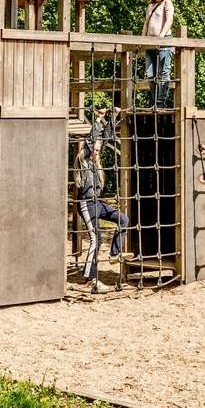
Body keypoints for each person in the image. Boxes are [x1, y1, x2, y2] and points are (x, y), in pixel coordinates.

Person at [74, 119, 127, 293]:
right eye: (94, 150)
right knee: (96, 239)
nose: (96, 152)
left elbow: (103, 140)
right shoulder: (84, 162)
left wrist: (112, 117)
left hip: (97, 203)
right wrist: (97, 121)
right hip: (86, 205)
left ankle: (114, 254)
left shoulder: (96, 164)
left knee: (123, 219)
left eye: (98, 150)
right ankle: (90, 279)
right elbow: (92, 141)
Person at [143, 0, 175, 107]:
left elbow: (169, 20)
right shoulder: (150, 6)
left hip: (164, 41)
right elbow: (146, 24)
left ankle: (160, 102)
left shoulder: (167, 2)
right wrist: (141, 40)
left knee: (164, 72)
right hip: (150, 43)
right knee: (150, 73)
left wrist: (160, 37)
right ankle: (154, 100)